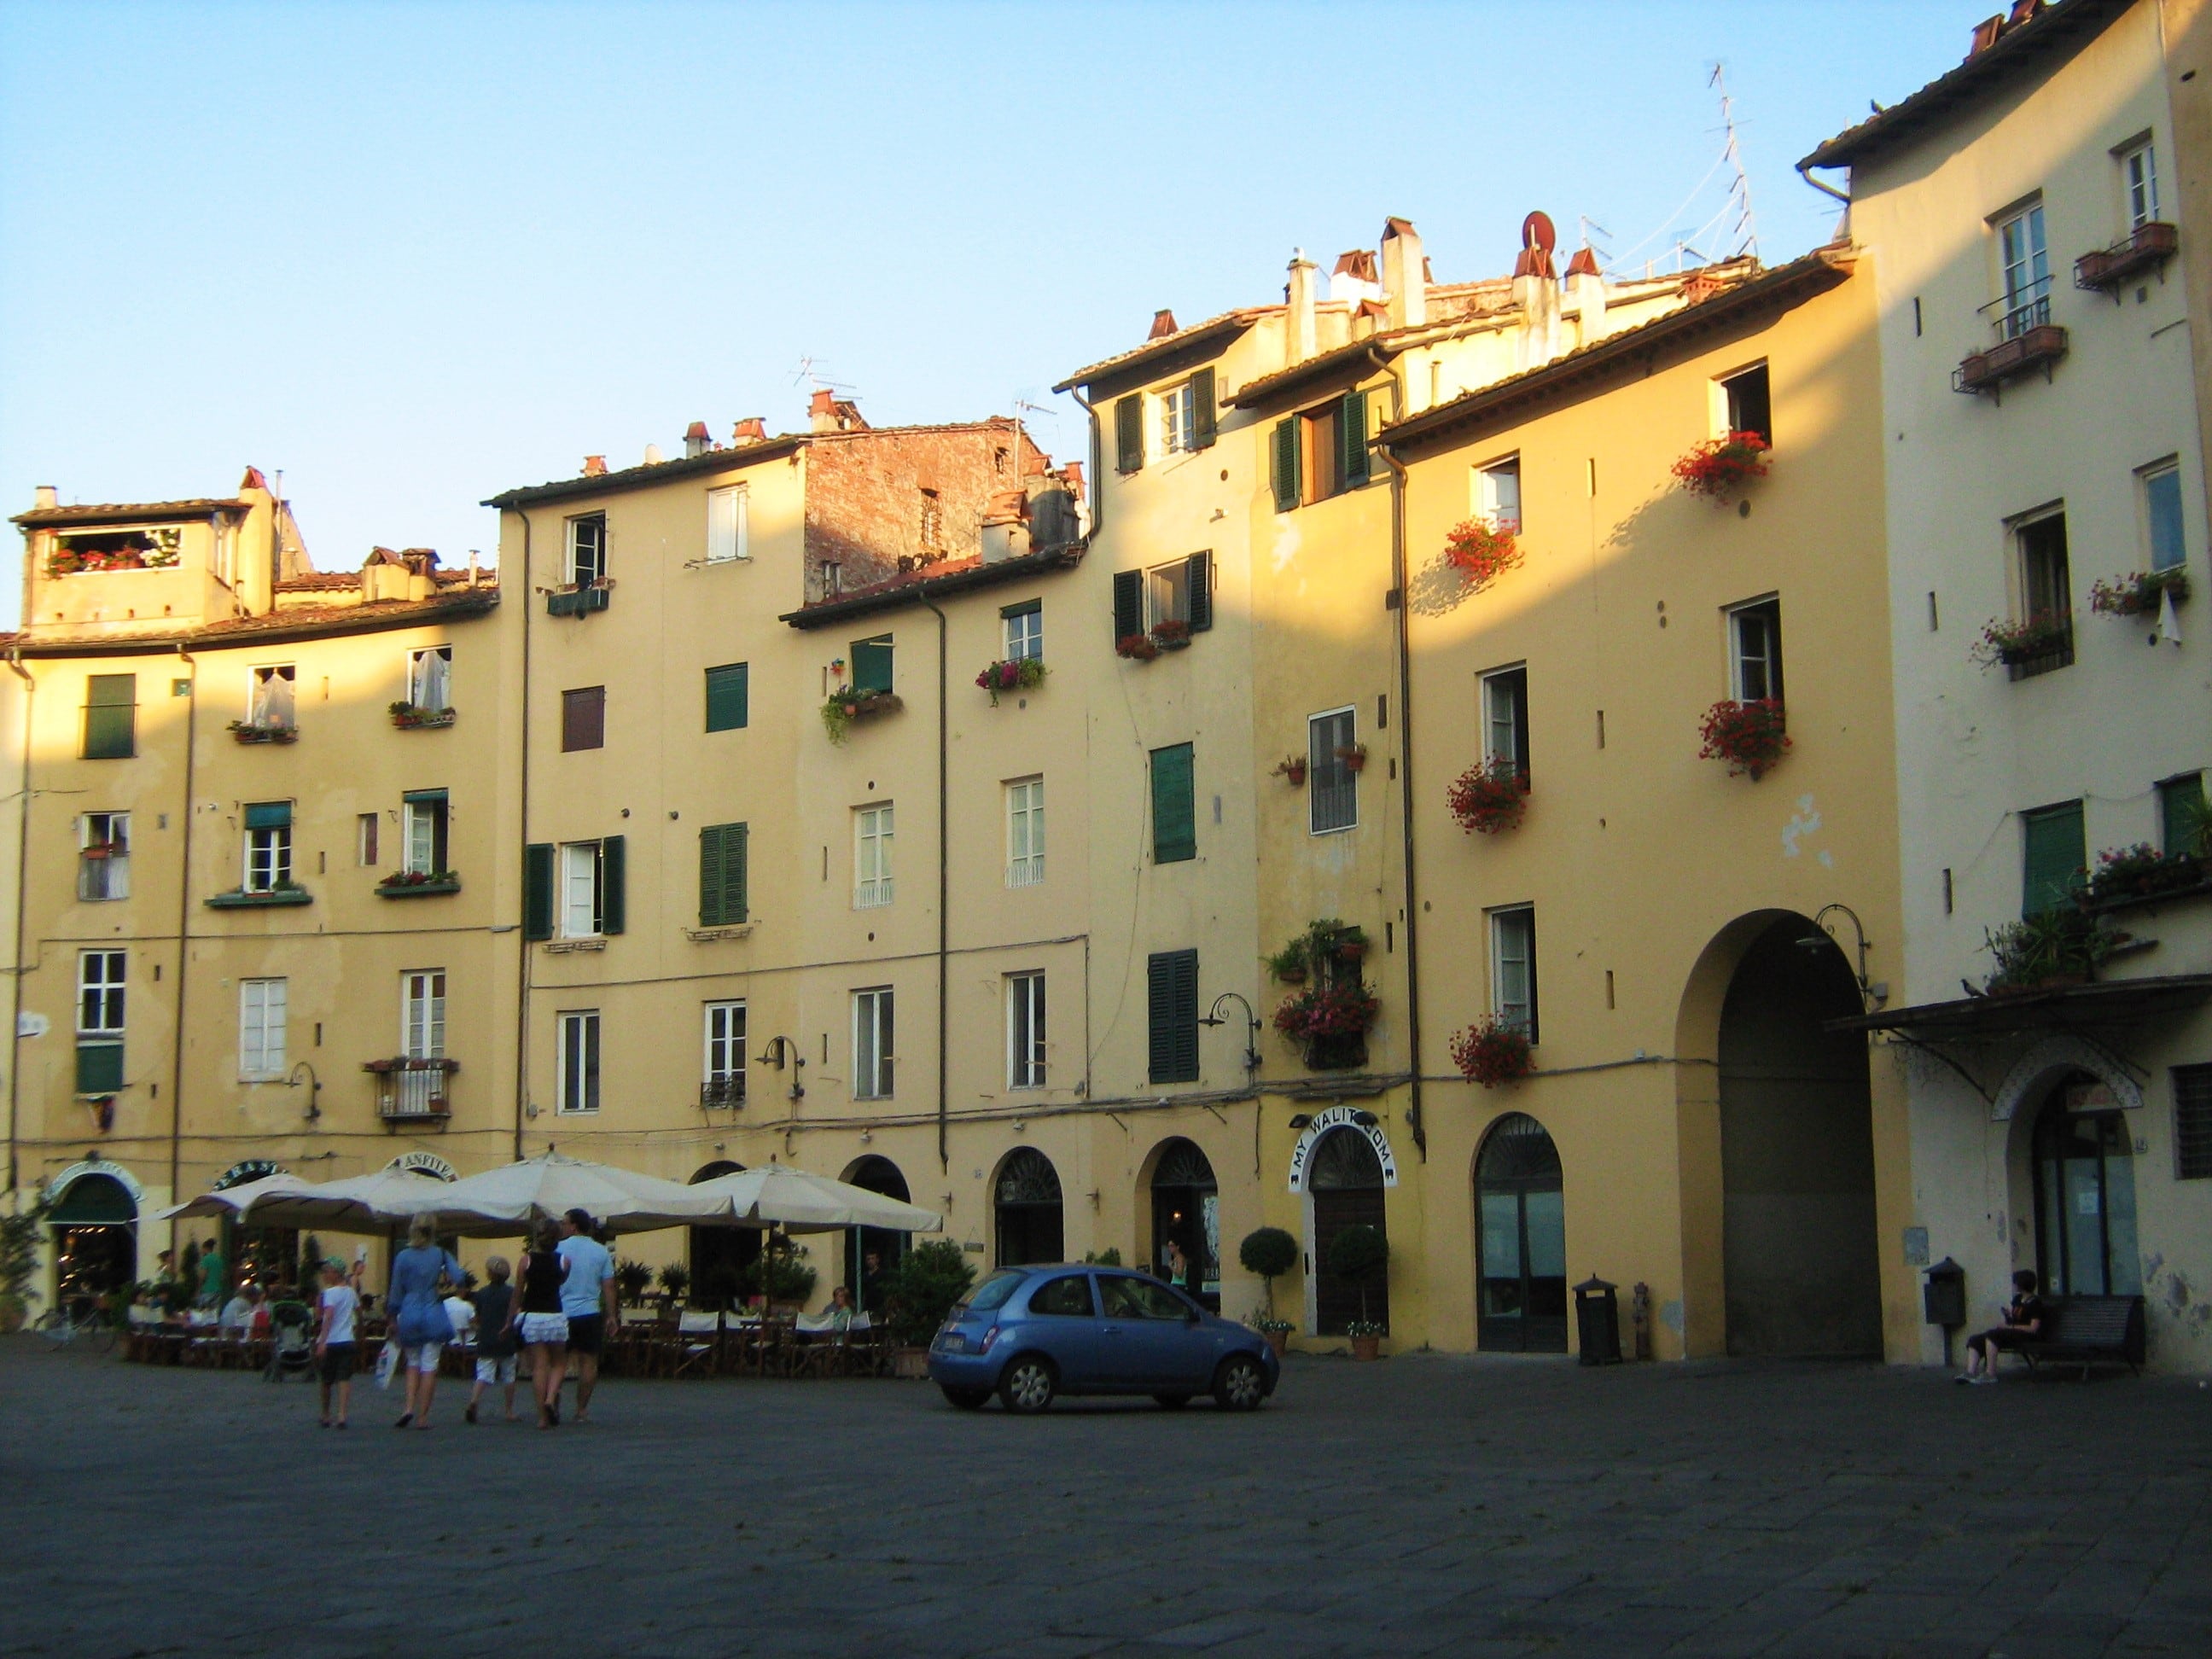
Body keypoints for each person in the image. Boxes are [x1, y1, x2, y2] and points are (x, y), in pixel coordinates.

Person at [386, 1214, 463, 1429]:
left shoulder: (402, 1256)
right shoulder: (440, 1254)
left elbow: (395, 1290)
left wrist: (392, 1317)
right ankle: (423, 1416)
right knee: (430, 1365)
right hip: (433, 1311)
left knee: (412, 1363)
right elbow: (460, 1278)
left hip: (409, 1312)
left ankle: (408, 1407)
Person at [555, 1208, 617, 1424]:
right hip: (590, 1312)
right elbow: (608, 1285)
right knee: (588, 1364)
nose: (562, 1226)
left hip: (561, 1312)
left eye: (564, 1223)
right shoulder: (601, 1251)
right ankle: (581, 1409)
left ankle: (553, 1401)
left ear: (573, 1226)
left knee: (557, 1363)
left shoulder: (558, 1249)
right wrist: (612, 1315)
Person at [512, 1219, 571, 1429]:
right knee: (559, 1363)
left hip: (532, 1316)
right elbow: (561, 1282)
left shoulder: (526, 1261)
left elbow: (517, 1294)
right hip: (554, 1314)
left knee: (539, 1367)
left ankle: (542, 1418)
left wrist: (508, 1322)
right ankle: (551, 1398)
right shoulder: (564, 1261)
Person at [1958, 1268, 2048, 1384]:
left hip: (2027, 1335)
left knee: (1993, 1335)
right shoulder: (2017, 1299)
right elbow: (2014, 1320)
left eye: (2015, 1282)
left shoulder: (2035, 1303)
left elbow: (2033, 1328)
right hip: (2013, 1333)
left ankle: (1990, 1373)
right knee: (1976, 1339)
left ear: (2021, 1284)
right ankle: (1970, 1372)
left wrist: (2010, 1327)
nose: (2014, 1285)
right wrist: (2008, 1316)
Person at [466, 1256, 520, 1425]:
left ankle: (474, 1401)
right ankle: (509, 1411)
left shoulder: (481, 1294)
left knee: (483, 1375)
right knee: (509, 1376)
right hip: (507, 1340)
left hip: (486, 1339)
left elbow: (477, 1318)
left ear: (489, 1274)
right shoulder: (512, 1293)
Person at [313, 1259, 358, 1429]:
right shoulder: (351, 1292)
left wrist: (322, 1341)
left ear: (336, 1274)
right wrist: (359, 1334)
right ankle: (342, 1414)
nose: (324, 1275)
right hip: (347, 1339)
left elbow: (326, 1316)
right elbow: (359, 1312)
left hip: (331, 1340)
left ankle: (326, 1414)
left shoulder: (329, 1293)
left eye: (327, 1271)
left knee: (326, 1379)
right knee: (344, 1378)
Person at [196, 1239, 225, 1309]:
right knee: (214, 1312)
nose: (201, 1251)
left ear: (205, 1248)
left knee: (204, 1312)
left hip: (207, 1290)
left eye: (202, 1249)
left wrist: (198, 1289)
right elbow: (223, 1276)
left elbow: (202, 1276)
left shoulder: (206, 1259)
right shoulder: (219, 1259)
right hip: (217, 1291)